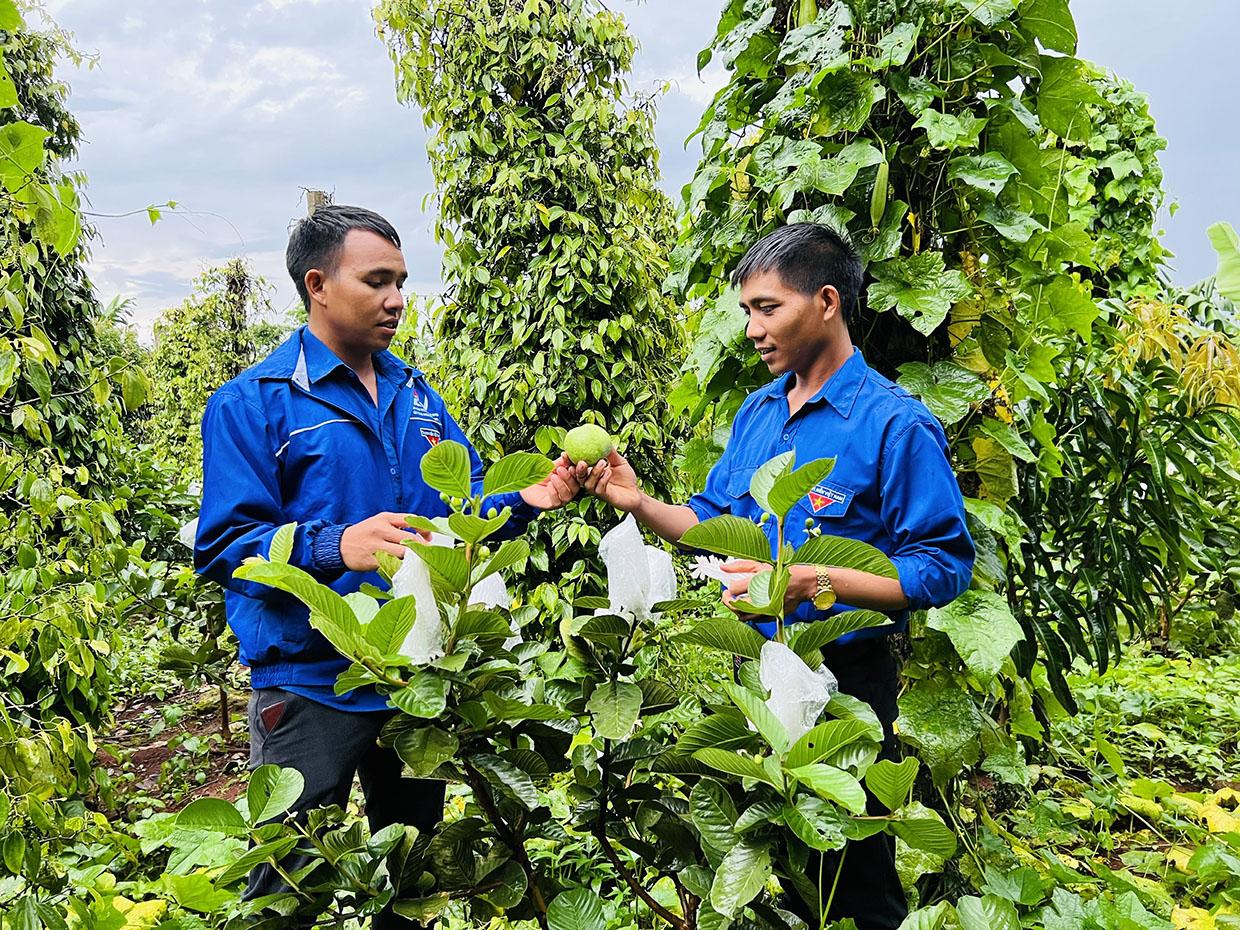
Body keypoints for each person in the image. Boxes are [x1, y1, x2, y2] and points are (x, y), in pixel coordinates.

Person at [194, 204, 582, 923]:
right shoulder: (255, 405)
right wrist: (333, 544)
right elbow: (223, 546)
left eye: (401, 282)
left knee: (414, 878)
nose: (397, 301)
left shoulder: (417, 396)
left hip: (414, 684)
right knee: (288, 878)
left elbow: (456, 516)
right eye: (377, 281)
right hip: (312, 681)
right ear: (317, 284)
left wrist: (530, 496)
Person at [584, 223, 975, 929]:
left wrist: (813, 582)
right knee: (769, 860)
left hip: (845, 681)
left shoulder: (893, 425)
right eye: (746, 313)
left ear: (827, 301)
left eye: (768, 308)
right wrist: (638, 503)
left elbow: (942, 568)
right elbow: (712, 521)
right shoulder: (759, 413)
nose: (753, 329)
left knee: (851, 874)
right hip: (756, 675)